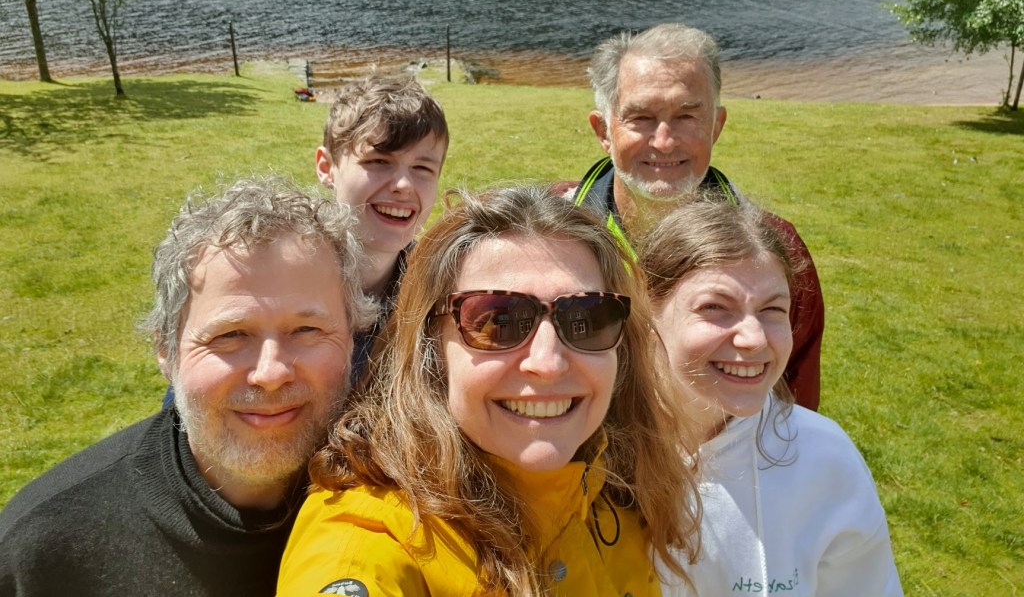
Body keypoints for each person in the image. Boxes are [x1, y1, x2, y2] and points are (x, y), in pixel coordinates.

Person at [277, 186, 702, 597]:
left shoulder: (622, 490)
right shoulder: (367, 542)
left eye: (586, 319)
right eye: (498, 322)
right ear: (431, 348)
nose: (548, 362)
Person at [0, 176, 375, 596]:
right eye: (230, 335)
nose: (271, 373)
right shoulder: (44, 551)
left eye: (306, 329)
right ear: (166, 349)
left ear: (351, 336)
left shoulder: (410, 511)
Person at [641, 197, 902, 596]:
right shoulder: (594, 449)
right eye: (716, 307)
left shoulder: (825, 459)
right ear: (645, 315)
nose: (754, 338)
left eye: (773, 310)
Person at [569, 22, 825, 410]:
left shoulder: (778, 251)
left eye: (687, 116)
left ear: (717, 126)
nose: (664, 141)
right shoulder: (555, 242)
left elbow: (793, 404)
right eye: (640, 117)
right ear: (603, 130)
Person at [315, 73, 449, 382]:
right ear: (327, 167)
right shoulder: (278, 276)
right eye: (378, 161)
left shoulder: (437, 293)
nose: (403, 184)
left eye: (422, 168)